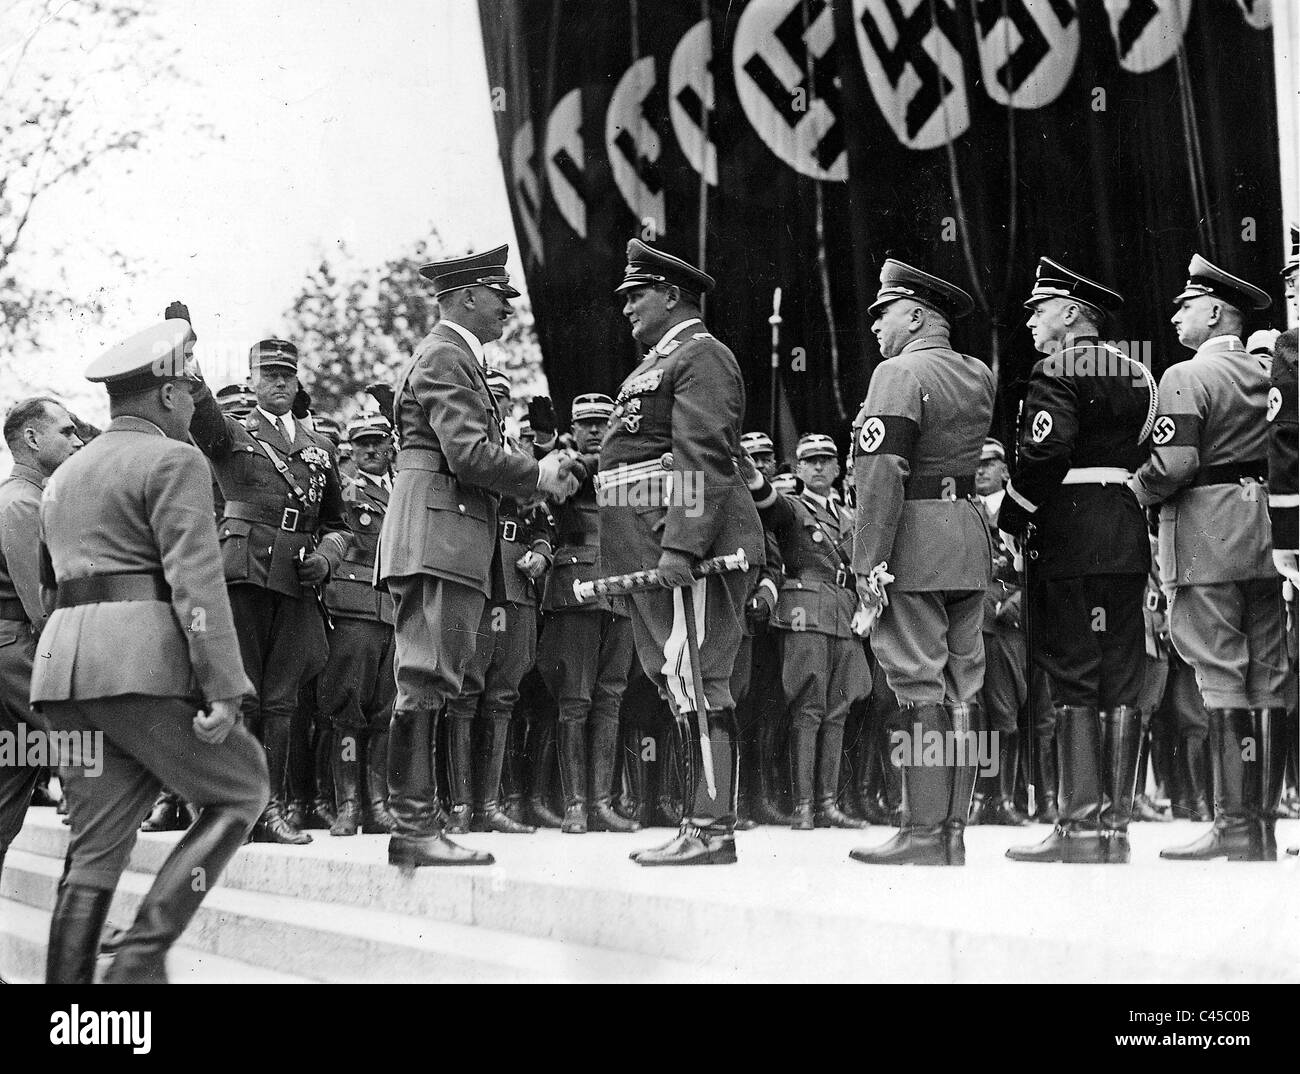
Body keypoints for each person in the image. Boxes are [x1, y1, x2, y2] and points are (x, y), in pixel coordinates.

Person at [33, 320, 267, 984]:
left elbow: (52, 581)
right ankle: (136, 962)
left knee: (95, 849)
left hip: (62, 670)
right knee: (242, 789)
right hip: (136, 661)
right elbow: (196, 576)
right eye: (190, 388)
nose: (195, 402)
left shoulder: (64, 474)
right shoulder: (175, 458)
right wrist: (222, 684)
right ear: (166, 395)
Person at [377, 245, 578, 868]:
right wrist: (538, 473)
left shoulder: (453, 356)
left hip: (448, 532)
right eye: (500, 297)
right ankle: (413, 827)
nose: (508, 310)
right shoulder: (445, 356)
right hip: (439, 532)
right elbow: (466, 453)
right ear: (467, 297)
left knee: (434, 674)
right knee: (427, 674)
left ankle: (418, 821)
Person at [600, 239, 764, 866]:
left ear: (672, 296)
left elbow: (703, 457)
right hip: (649, 545)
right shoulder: (657, 362)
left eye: (636, 295)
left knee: (698, 677)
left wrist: (682, 545)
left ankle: (712, 825)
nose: (626, 309)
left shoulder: (702, 356)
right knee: (676, 679)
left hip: (685, 547)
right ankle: (703, 819)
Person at [998, 257, 1155, 865]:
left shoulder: (1055, 369)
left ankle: (1078, 825)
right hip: (1122, 529)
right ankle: (1114, 828)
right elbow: (1147, 445)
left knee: (1073, 675)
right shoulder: (1139, 372)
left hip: (1069, 535)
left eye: (1039, 311)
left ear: (1070, 315)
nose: (1033, 323)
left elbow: (1047, 450)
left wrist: (1013, 513)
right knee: (1120, 676)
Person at [1130, 255, 1288, 861]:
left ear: (1216, 312)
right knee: (1269, 673)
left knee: (1220, 671)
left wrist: (1133, 489)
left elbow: (1175, 464)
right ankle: (1263, 826)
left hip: (1207, 536)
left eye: (1186, 305)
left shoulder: (1184, 376)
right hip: (1266, 531)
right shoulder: (1266, 370)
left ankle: (1233, 823)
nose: (1175, 315)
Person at [846, 260, 995, 867]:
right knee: (964, 684)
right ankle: (952, 833)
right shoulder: (978, 374)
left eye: (883, 313)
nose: (877, 327)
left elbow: (882, 474)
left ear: (915, 315)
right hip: (965, 538)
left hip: (912, 541)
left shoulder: (897, 373)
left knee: (916, 681)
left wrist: (867, 560)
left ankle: (922, 830)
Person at [186, 325, 350, 846]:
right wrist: (184, 357)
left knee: (282, 701)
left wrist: (327, 556)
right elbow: (201, 412)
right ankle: (239, 807)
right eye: (268, 374)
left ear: (296, 381)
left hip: (298, 578)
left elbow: (339, 523)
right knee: (246, 696)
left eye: (286, 375)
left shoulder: (320, 446)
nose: (278, 383)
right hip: (245, 571)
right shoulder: (232, 434)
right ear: (252, 380)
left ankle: (273, 807)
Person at [441, 367, 551, 837]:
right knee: (464, 693)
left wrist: (543, 553)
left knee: (503, 694)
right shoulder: (460, 451)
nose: (497, 406)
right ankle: (461, 805)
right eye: (490, 398)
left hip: (516, 584)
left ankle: (490, 804)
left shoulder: (518, 458)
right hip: (475, 579)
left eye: (503, 399)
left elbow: (545, 521)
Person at [746, 433, 870, 829]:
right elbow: (767, 500)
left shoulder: (851, 515)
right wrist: (749, 472)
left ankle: (828, 803)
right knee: (808, 708)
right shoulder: (792, 508)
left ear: (837, 468)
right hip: (804, 611)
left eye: (826, 460)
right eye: (810, 461)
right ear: (797, 469)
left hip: (843, 612)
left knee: (838, 710)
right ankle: (803, 806)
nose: (818, 467)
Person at [535, 392, 641, 834]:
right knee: (574, 701)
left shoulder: (631, 471)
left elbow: (684, 491)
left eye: (604, 422)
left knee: (610, 699)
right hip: (576, 591)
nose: (596, 430)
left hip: (622, 592)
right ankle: (576, 805)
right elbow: (558, 488)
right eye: (587, 424)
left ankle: (601, 802)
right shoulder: (564, 468)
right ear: (572, 430)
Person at [0, 399, 83, 882]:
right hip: (21, 655)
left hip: (12, 657)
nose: (77, 441)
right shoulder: (22, 503)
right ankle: (86, 919)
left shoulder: (25, 497)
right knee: (91, 761)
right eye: (67, 431)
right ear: (32, 440)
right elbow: (41, 604)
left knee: (10, 784)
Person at [316, 414, 400, 836]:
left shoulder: (403, 486)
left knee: (386, 711)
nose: (369, 450)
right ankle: (348, 804)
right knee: (348, 710)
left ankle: (379, 803)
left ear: (391, 445)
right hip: (354, 605)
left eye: (377, 443)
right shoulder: (343, 486)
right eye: (360, 443)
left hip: (396, 608)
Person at [969, 437, 1033, 827]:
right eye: (975, 465)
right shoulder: (963, 509)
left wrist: (1022, 601)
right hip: (973, 621)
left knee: (1006, 715)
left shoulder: (1021, 510)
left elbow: (1040, 563)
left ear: (1005, 470)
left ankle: (1004, 800)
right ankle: (977, 798)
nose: (980, 471)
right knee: (974, 715)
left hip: (1009, 623)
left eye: (989, 463)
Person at [735, 431, 793, 825]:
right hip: (729, 611)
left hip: (765, 621)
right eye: (752, 457)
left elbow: (775, 561)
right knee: (732, 708)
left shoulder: (770, 504)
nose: (761, 463)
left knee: (765, 711)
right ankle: (733, 800)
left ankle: (760, 797)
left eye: (766, 457)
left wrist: (768, 595)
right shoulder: (734, 499)